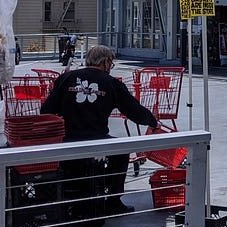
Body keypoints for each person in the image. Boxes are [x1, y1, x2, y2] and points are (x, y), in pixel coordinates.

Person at [41, 44, 158, 215]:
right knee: (121, 153)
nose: (110, 67)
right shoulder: (111, 83)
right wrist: (152, 122)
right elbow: (133, 110)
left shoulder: (66, 78)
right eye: (111, 63)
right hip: (98, 138)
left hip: (67, 138)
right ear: (105, 62)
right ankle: (113, 200)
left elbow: (46, 111)